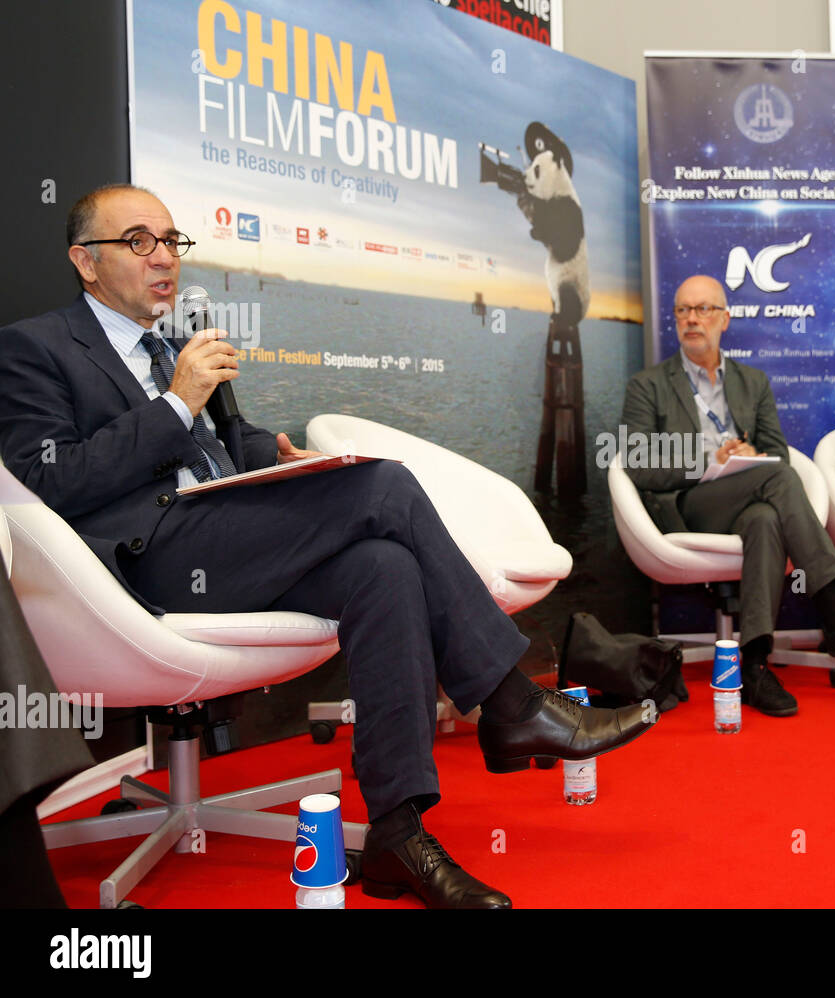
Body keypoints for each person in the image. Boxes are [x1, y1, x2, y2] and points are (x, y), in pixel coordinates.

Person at [0, 184, 657, 909]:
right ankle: (508, 702)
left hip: (228, 534)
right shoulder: (36, 347)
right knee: (383, 487)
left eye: (172, 240)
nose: (164, 259)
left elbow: (223, 441)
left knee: (385, 568)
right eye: (139, 242)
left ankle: (396, 834)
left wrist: (273, 458)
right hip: (147, 559)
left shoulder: (175, 337)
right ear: (84, 262)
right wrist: (176, 402)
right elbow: (49, 479)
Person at [620, 274, 835, 717]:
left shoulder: (752, 382)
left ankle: (753, 665)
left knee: (766, 518)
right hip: (690, 505)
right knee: (779, 484)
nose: (692, 319)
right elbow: (637, 463)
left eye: (703, 309)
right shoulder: (648, 385)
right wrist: (708, 459)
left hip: (749, 494)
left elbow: (778, 455)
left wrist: (751, 455)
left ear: (725, 319)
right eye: (683, 310)